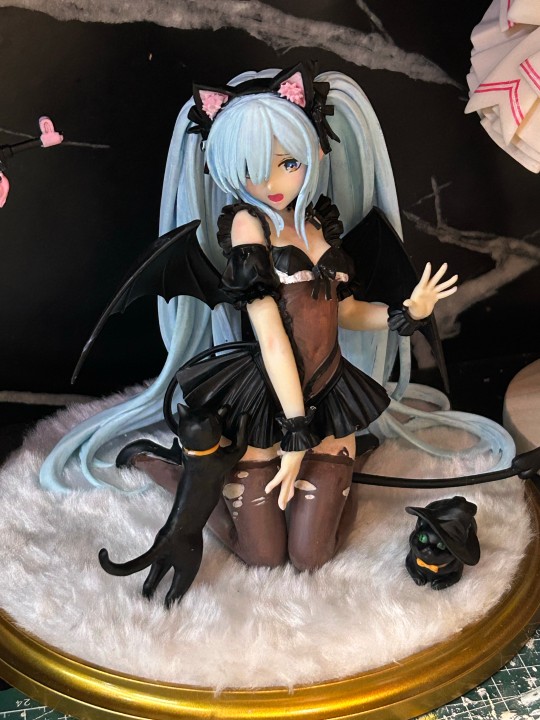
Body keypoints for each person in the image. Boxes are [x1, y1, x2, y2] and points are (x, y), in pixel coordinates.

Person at [39, 65, 514, 571]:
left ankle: (348, 463)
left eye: (288, 163)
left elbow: (345, 311)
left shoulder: (319, 224)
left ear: (315, 152)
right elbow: (272, 338)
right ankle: (170, 468)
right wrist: (294, 432)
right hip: (264, 400)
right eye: (252, 169)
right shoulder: (248, 225)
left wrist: (404, 313)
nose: (271, 183)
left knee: (311, 556)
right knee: (262, 555)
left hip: (329, 393)